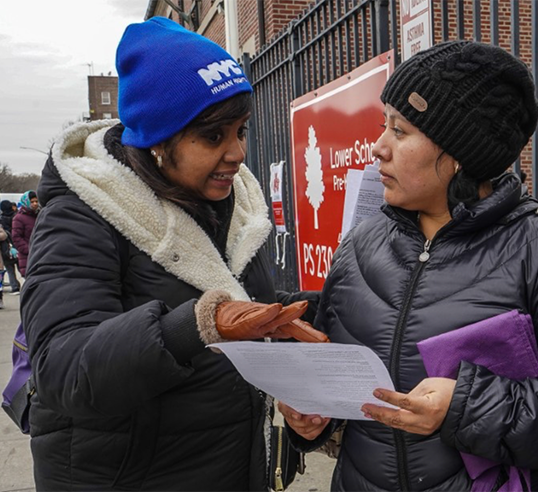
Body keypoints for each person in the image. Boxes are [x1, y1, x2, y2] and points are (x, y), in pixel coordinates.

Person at [280, 41, 538, 492]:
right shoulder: (360, 243)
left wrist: (466, 406)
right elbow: (341, 383)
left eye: (400, 131)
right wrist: (314, 419)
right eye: (382, 125)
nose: (377, 147)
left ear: (460, 153)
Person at [19, 17, 327, 492]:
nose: (238, 153)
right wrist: (198, 324)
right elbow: (65, 368)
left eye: (241, 131)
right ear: (159, 140)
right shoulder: (83, 214)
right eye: (213, 136)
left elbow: (237, 302)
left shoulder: (236, 204)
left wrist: (301, 310)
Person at [11, 191, 38, 277]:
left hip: (41, 254)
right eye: (32, 202)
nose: (35, 204)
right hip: (28, 257)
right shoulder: (18, 218)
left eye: (36, 201)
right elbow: (16, 237)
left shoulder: (40, 215)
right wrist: (29, 250)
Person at [0, 200, 21, 293]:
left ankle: (14, 286)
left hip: (5, 247)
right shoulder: (17, 217)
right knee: (22, 267)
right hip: (18, 245)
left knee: (10, 268)